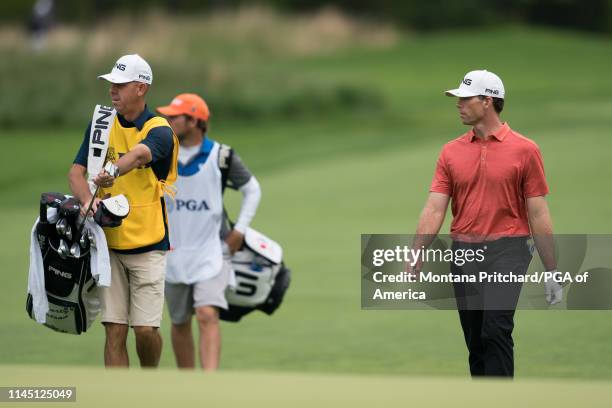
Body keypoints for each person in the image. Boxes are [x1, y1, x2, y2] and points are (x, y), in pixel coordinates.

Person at [409, 70, 562, 377]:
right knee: (476, 339)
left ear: (487, 101)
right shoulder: (451, 151)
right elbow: (435, 207)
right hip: (464, 253)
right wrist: (417, 251)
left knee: (495, 330)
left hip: (508, 251)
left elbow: (538, 213)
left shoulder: (525, 149)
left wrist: (552, 269)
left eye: (466, 98)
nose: (459, 104)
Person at [68, 54, 178, 368]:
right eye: (111, 85)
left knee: (144, 330)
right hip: (108, 244)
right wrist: (89, 201)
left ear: (141, 88)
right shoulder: (102, 121)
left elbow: (141, 154)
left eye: (120, 85)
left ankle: (148, 380)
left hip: (148, 244)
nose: (112, 91)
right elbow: (76, 173)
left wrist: (112, 171)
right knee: (114, 330)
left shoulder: (159, 129)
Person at [156, 93, 261, 370]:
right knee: (179, 321)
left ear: (194, 121)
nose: (168, 120)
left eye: (174, 116)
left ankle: (208, 383)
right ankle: (188, 384)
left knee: (206, 314)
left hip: (212, 251)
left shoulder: (221, 155)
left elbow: (252, 190)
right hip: (172, 252)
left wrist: (239, 230)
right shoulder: (161, 154)